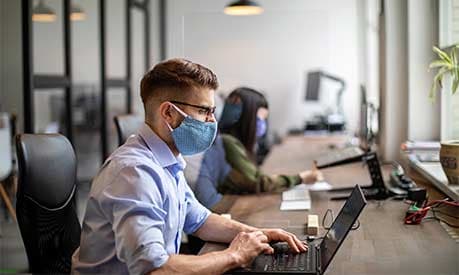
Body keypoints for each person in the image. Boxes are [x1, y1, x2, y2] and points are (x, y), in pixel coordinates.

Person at [71, 59, 307, 274]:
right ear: (169, 114)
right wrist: (235, 255)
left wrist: (256, 234)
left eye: (213, 112)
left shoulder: (167, 161)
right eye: (204, 111)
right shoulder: (134, 173)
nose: (212, 121)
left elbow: (200, 220)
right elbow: (154, 269)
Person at [186, 87, 323, 213]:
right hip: (213, 216)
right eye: (260, 119)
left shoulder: (226, 138)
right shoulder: (228, 142)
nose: (262, 124)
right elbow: (258, 182)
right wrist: (301, 178)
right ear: (247, 118)